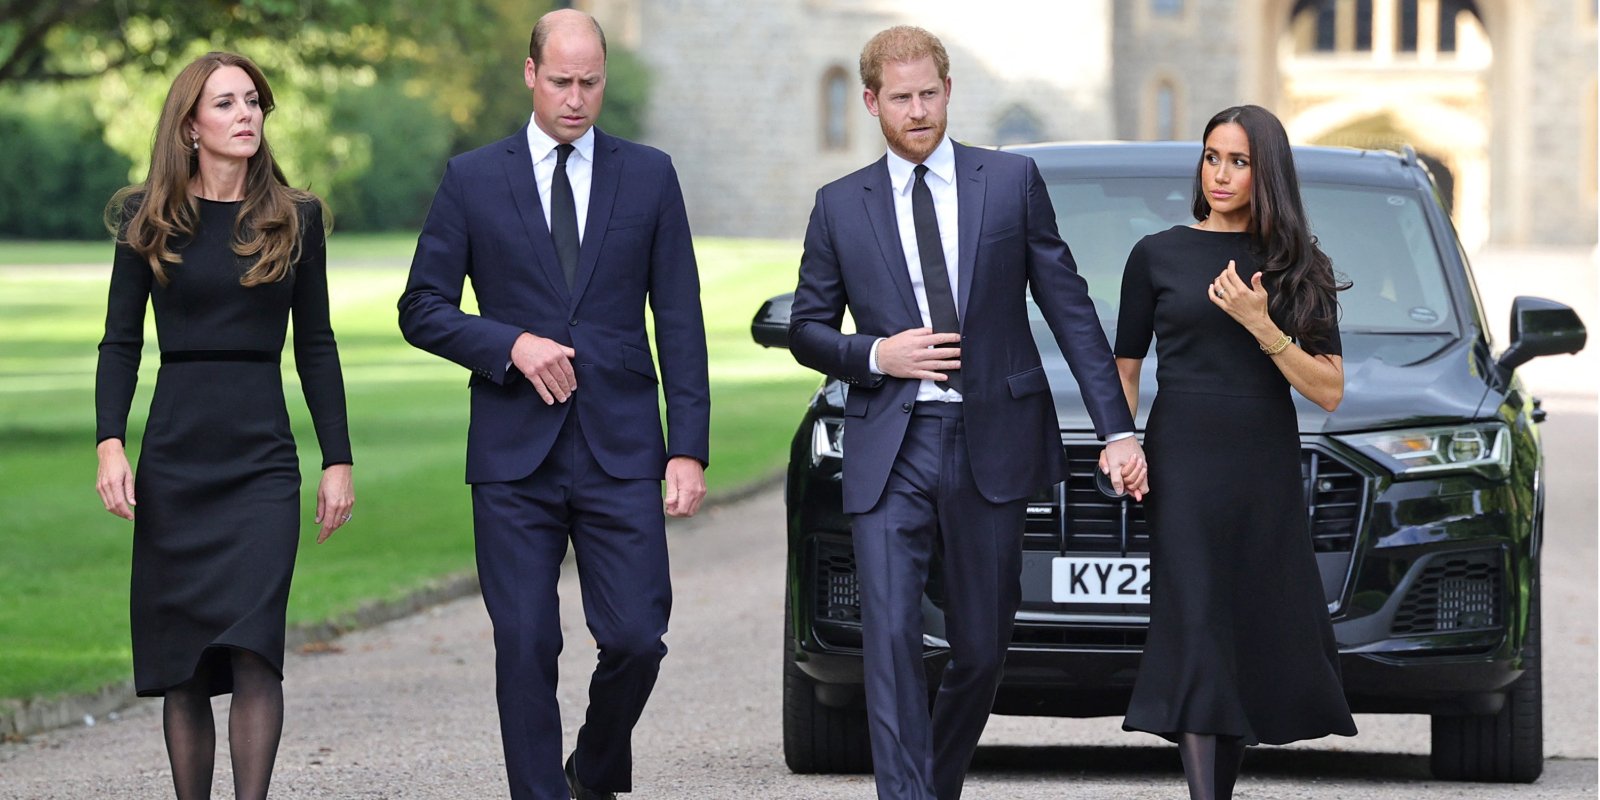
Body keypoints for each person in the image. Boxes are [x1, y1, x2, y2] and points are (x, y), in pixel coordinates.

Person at [787, 26, 1148, 800]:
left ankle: (935, 783)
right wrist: (877, 354)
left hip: (991, 440)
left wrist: (1118, 427)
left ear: (949, 91)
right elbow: (808, 329)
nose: (916, 111)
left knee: (982, 649)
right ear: (870, 102)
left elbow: (1071, 310)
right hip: (891, 445)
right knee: (887, 643)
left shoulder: (1010, 182)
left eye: (928, 94)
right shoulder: (838, 207)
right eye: (900, 98)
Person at [396, 9, 709, 800]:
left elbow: (679, 316)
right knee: (527, 643)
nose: (576, 98)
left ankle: (593, 768)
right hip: (513, 454)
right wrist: (510, 345)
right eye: (562, 81)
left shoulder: (650, 174)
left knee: (638, 638)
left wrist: (687, 447)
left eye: (591, 82)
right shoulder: (472, 178)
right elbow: (422, 306)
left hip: (621, 445)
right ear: (531, 74)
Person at [93, 51, 354, 800]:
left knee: (253, 652)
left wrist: (338, 458)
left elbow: (317, 346)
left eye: (253, 102)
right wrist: (111, 440)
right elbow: (120, 342)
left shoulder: (295, 217)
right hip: (176, 458)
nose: (246, 115)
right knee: (184, 665)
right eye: (226, 104)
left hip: (261, 463)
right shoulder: (147, 219)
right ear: (190, 125)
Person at [1114, 105, 1358, 800]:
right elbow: (1125, 367)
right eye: (1212, 156)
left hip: (1263, 464)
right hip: (1183, 458)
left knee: (1241, 626)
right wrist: (1121, 441)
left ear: (1266, 173)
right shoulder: (1156, 254)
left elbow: (1330, 390)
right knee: (1193, 622)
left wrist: (1262, 324)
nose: (1220, 173)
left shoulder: (1299, 266)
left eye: (1239, 161)